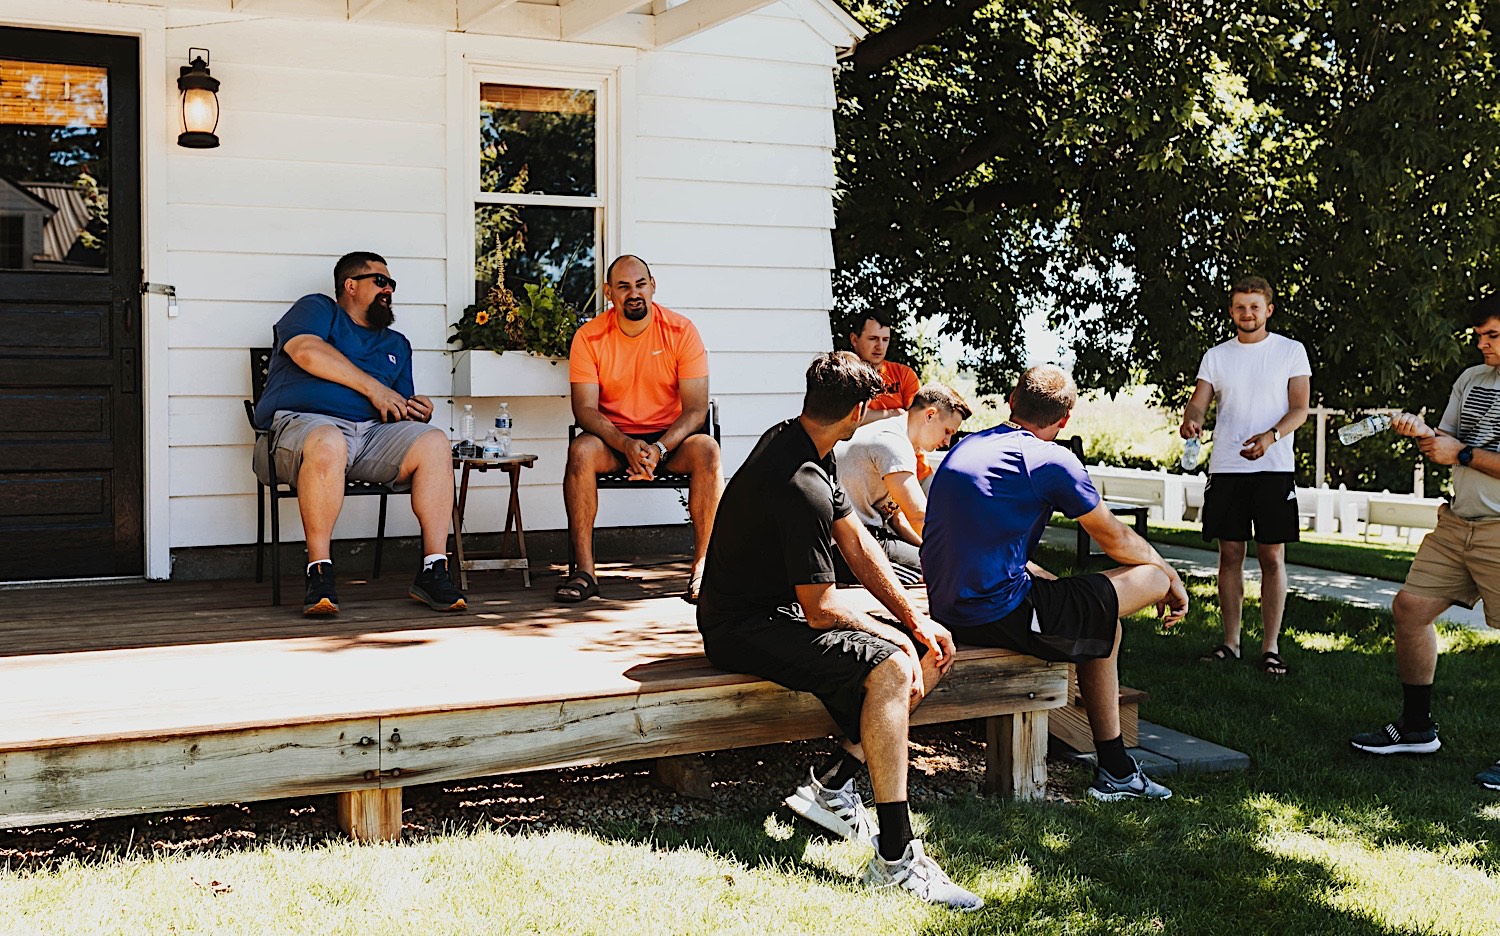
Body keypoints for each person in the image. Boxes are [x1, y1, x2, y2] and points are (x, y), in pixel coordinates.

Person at [697, 351, 983, 911]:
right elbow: (821, 609)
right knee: (895, 664)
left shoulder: (806, 444)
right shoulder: (797, 482)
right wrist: (893, 636)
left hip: (768, 615)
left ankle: (830, 785)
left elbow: (856, 541)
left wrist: (913, 618)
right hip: (739, 627)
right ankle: (896, 858)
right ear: (856, 411)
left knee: (927, 648)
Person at [923, 365, 1188, 800]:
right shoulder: (1049, 459)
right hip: (995, 612)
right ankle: (1118, 773)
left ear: (1012, 400)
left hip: (948, 605)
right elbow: (1116, 539)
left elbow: (981, 536)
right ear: (1065, 419)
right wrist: (1171, 578)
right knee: (1151, 577)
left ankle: (1117, 768)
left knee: (1103, 625)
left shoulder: (969, 445)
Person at [252, 251, 465, 616]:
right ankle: (319, 571)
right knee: (328, 439)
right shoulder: (318, 310)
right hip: (301, 429)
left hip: (370, 436)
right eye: (379, 281)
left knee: (433, 441)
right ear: (350, 285)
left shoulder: (396, 344)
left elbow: (395, 408)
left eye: (391, 284)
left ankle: (433, 569)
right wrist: (373, 388)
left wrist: (415, 411)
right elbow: (305, 350)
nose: (388, 290)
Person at [1350, 295, 1500, 791]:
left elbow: (1465, 451)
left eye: (1493, 335)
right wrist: (1421, 433)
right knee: (1410, 609)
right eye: (1479, 335)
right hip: (1459, 523)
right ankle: (1416, 729)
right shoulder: (1471, 380)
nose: (1482, 344)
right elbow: (1448, 443)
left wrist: (1464, 452)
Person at [559, 255, 723, 603]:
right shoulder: (588, 337)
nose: (633, 293)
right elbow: (584, 410)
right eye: (623, 287)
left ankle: (702, 569)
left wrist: (659, 448)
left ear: (652, 286)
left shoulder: (681, 330)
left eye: (640, 284)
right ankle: (585, 572)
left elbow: (696, 409)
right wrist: (625, 444)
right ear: (609, 293)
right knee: (581, 450)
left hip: (671, 440)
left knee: (707, 450)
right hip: (613, 440)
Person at [1179, 275, 1311, 676]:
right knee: (1230, 555)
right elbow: (1198, 404)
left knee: (1272, 556)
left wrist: (1271, 437)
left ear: (1268, 309)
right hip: (1227, 466)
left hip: (1273, 468)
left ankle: (1271, 648)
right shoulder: (1217, 356)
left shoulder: (1291, 351)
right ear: (1232, 310)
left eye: (1255, 306)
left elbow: (1300, 409)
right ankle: (1231, 643)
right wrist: (1192, 421)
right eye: (1240, 306)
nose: (1247, 313)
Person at [832, 383, 971, 585]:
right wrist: (958, 553)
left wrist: (927, 548)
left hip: (864, 537)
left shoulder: (897, 437)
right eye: (947, 431)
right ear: (930, 415)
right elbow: (919, 515)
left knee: (944, 564)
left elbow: (897, 518)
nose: (947, 442)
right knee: (947, 572)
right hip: (849, 546)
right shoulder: (893, 443)